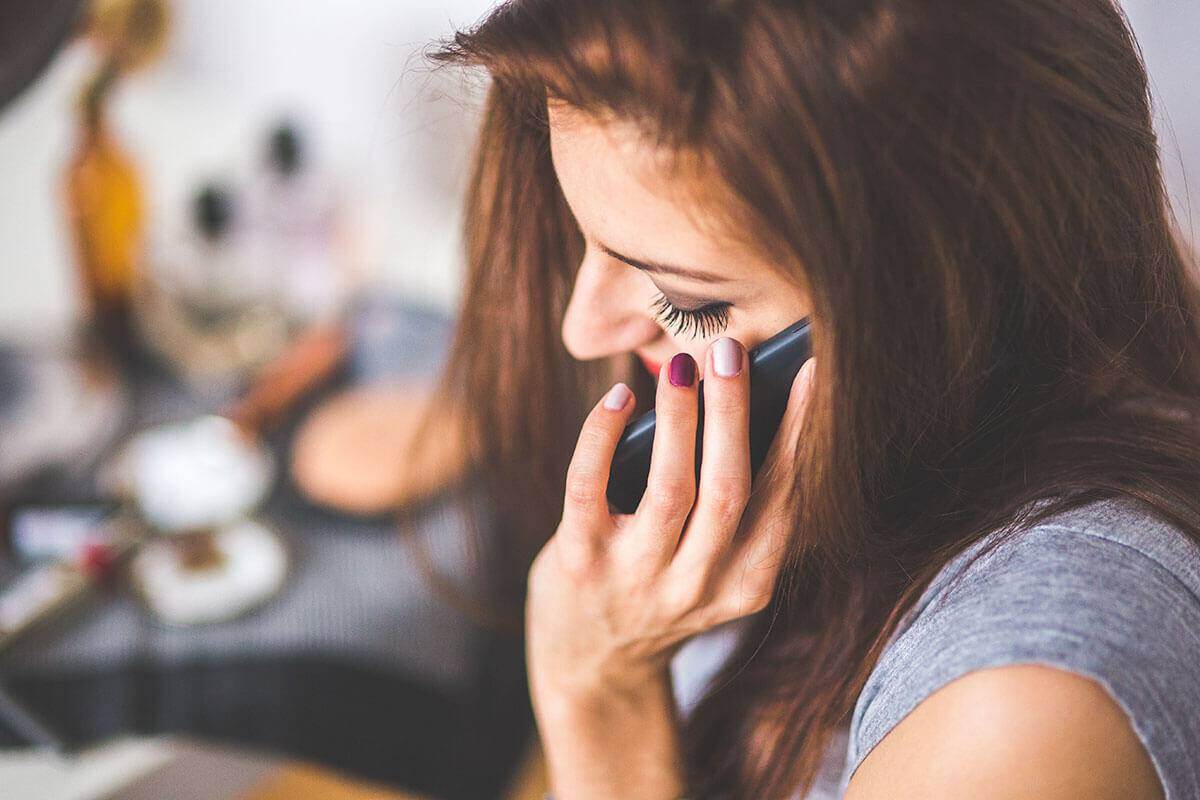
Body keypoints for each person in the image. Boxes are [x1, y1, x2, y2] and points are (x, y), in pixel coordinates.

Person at [423, 1, 1200, 798]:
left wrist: (599, 693)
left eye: (684, 301)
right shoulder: (878, 470)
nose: (581, 330)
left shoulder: (1021, 720)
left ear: (943, 308)